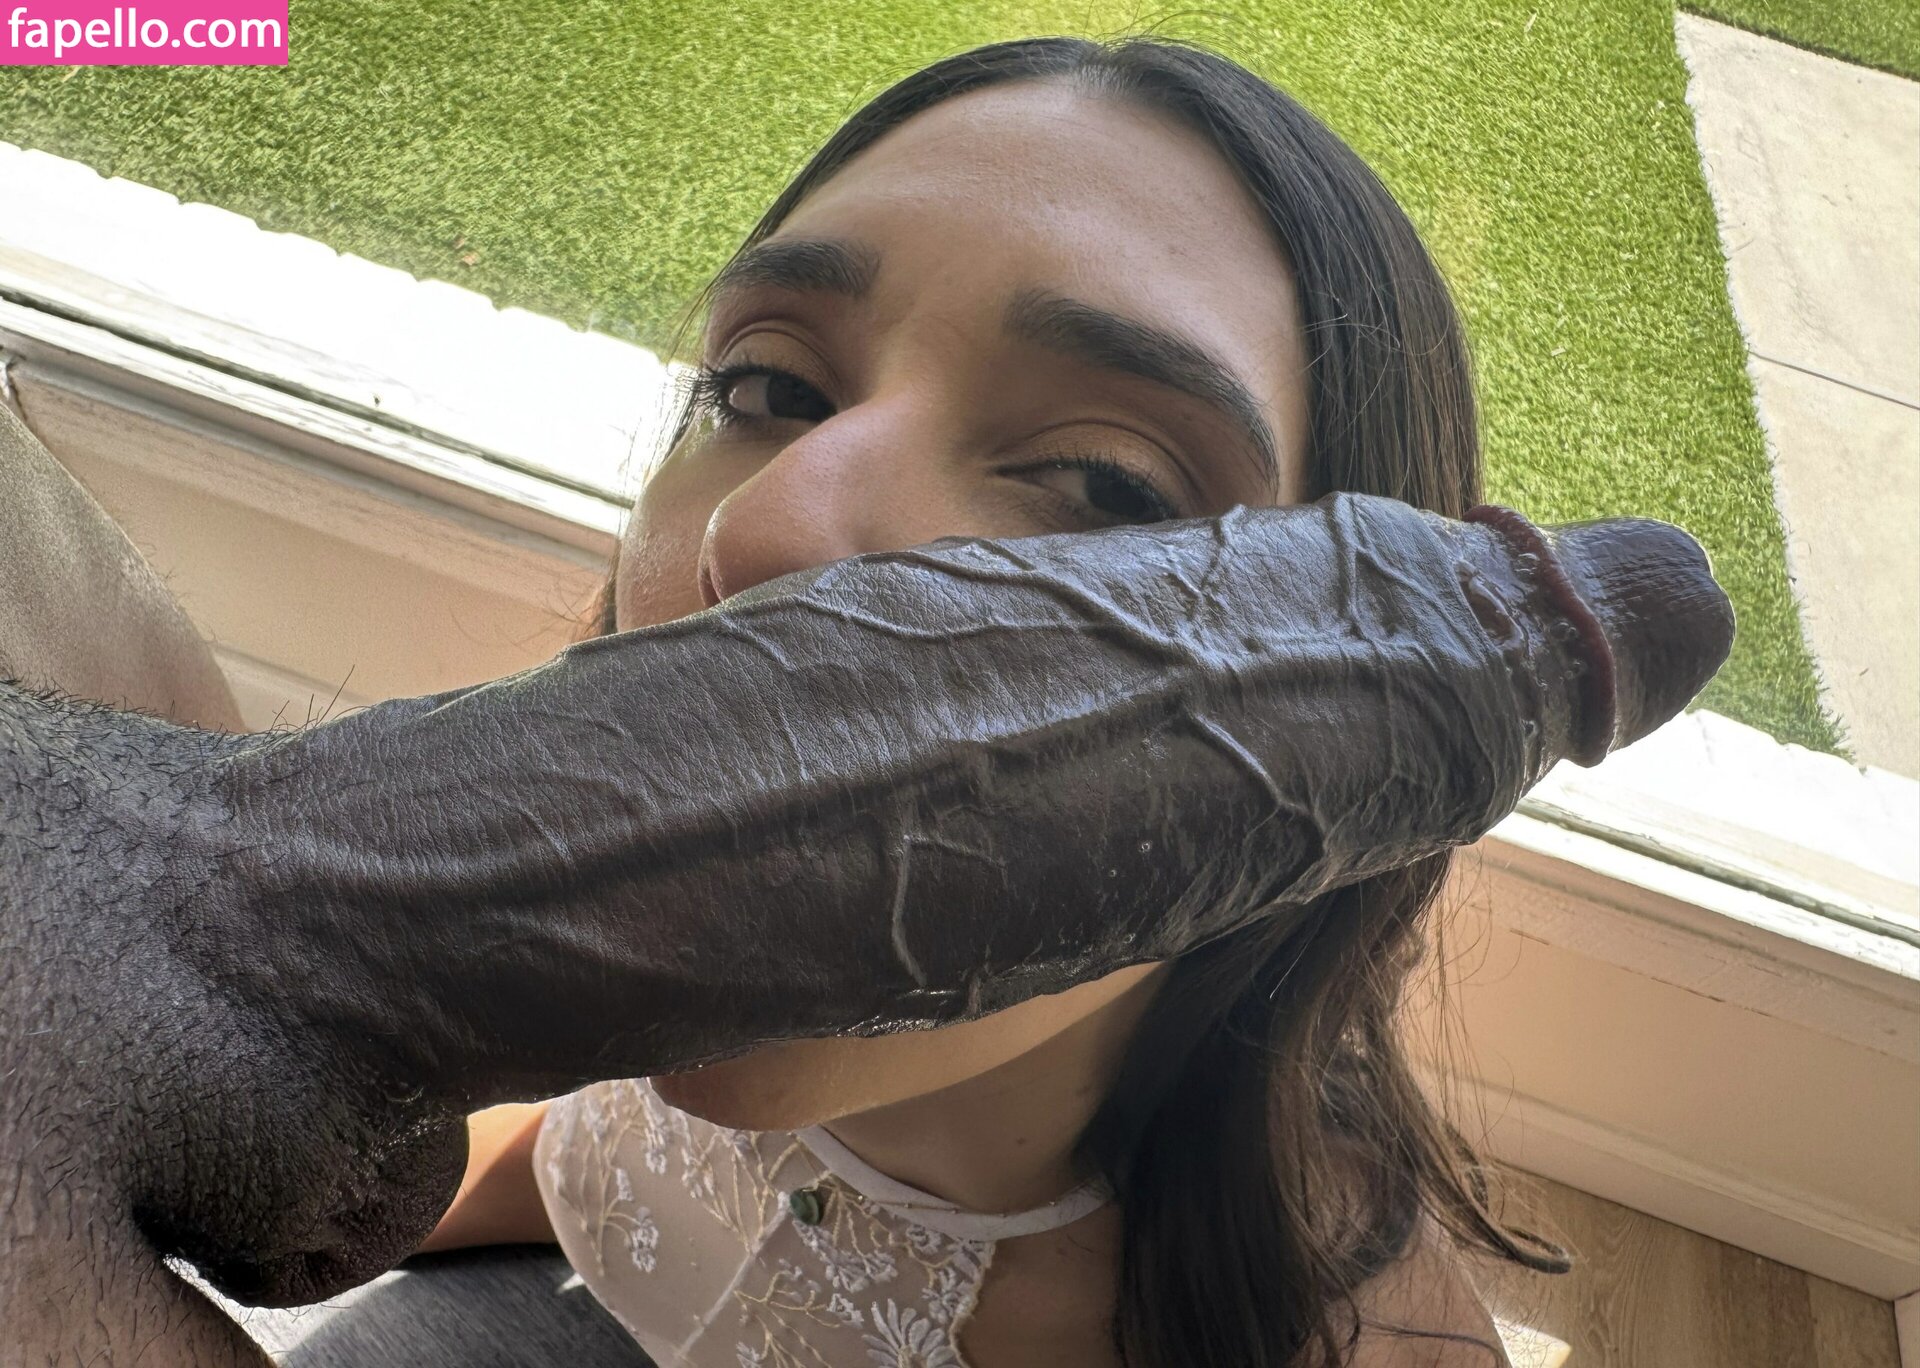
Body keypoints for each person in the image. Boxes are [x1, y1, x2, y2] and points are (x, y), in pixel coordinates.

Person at [418, 35, 1569, 1368]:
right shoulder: (583, 991)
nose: (767, 530)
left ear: (1352, 755)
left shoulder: (1359, 1342)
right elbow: (572, 1152)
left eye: (1107, 484)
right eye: (770, 388)